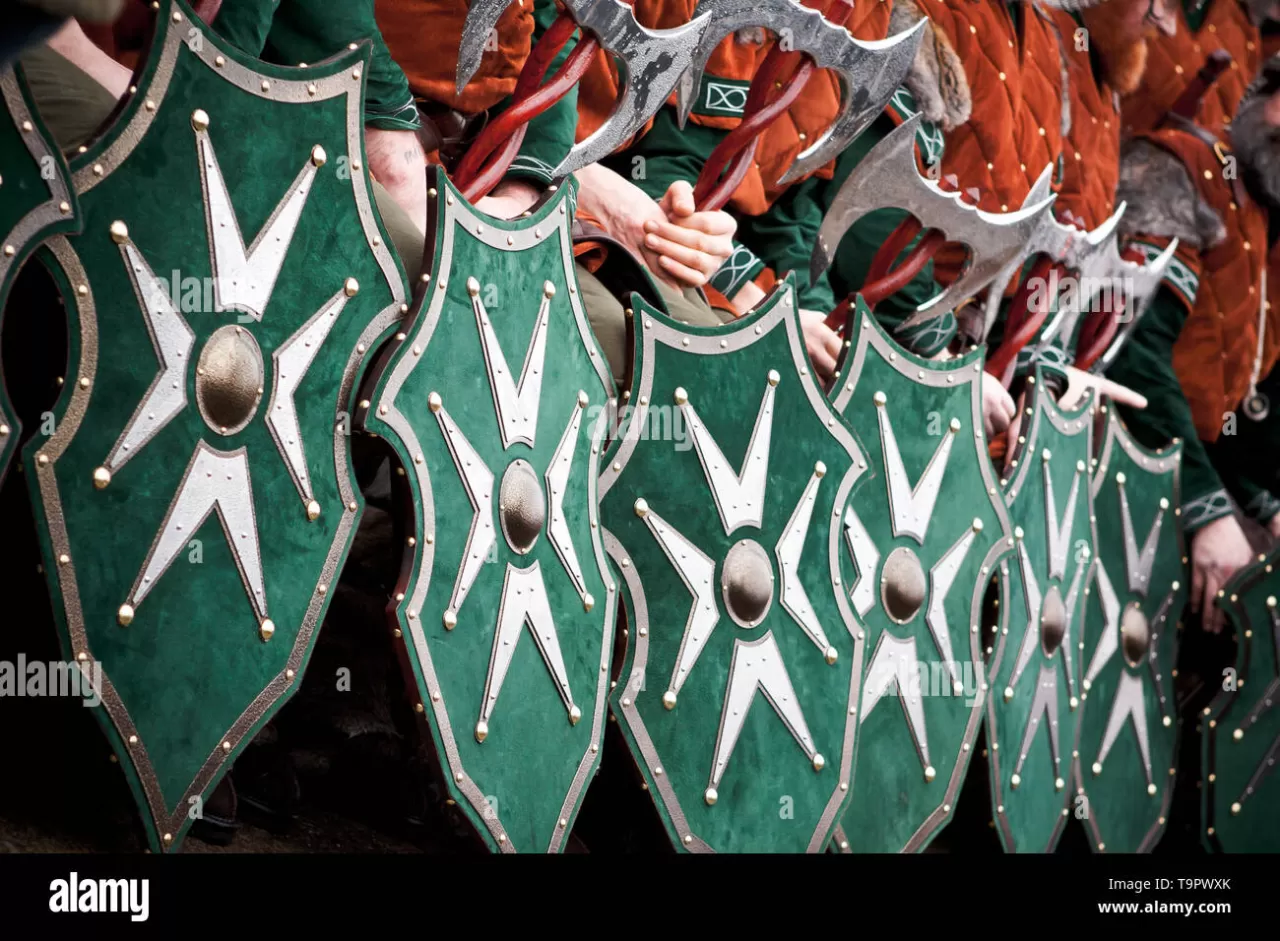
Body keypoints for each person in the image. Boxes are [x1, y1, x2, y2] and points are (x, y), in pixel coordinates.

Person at [1105, 54, 1280, 632]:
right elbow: (1129, 350)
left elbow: (1224, 414)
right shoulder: (1179, 169)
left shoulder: (1261, 220)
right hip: (1107, 453)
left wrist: (1263, 506)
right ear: (1258, 99)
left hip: (1179, 464)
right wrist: (1207, 511)